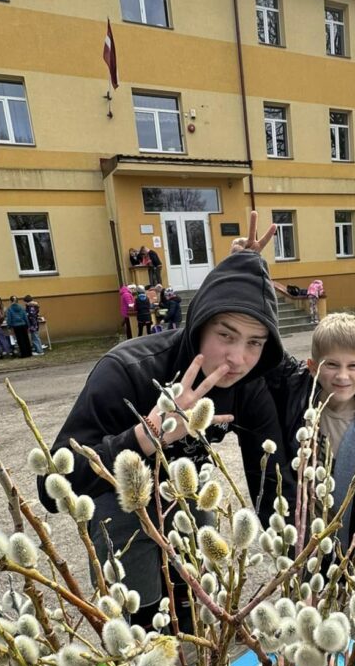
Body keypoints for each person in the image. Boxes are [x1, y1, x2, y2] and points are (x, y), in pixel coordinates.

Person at [39, 213, 287, 629]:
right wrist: (148, 433)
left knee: (195, 592)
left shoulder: (249, 382)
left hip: (187, 495)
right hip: (118, 503)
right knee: (141, 620)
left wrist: (297, 558)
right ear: (198, 325)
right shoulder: (127, 370)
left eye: (255, 343)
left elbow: (272, 476)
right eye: (225, 335)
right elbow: (51, 491)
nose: (238, 358)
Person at [265, 313, 355, 582]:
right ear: (312, 367)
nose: (342, 375)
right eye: (332, 365)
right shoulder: (297, 399)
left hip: (346, 556)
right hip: (301, 546)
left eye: (353, 366)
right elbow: (267, 355)